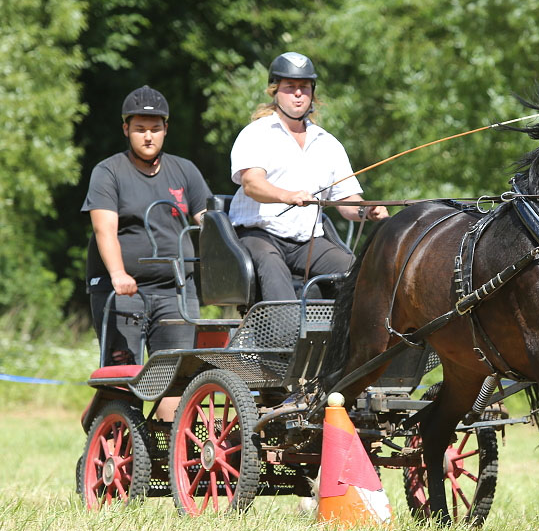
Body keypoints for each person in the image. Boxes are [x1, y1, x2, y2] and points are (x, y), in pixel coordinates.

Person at [82, 86, 210, 406]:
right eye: (140, 129)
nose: (148, 136)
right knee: (121, 380)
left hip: (176, 291)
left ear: (166, 129)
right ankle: (113, 439)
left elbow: (209, 221)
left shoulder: (185, 170)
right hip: (123, 291)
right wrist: (118, 274)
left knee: (176, 381)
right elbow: (104, 229)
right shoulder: (108, 172)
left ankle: (171, 452)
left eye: (155, 128)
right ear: (126, 130)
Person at [228, 51, 387, 301]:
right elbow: (252, 184)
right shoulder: (256, 133)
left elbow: (346, 200)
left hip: (307, 242)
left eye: (304, 87)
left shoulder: (328, 143)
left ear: (313, 92)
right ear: (275, 91)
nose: (298, 93)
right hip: (259, 235)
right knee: (275, 276)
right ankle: (281, 335)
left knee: (359, 274)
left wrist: (365, 211)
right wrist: (287, 196)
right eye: (290, 87)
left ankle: (346, 337)